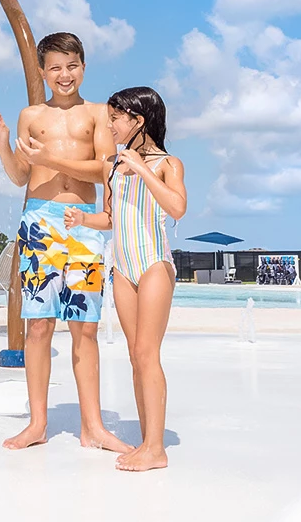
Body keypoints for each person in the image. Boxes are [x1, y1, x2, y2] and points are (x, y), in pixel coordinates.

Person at [0, 32, 131, 454]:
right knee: (39, 326)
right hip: (40, 223)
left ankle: (94, 427)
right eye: (55, 68)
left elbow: (104, 170)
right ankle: (37, 424)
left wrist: (51, 160)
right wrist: (2, 147)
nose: (64, 75)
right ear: (43, 72)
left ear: (83, 66)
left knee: (84, 328)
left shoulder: (99, 113)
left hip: (82, 223)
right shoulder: (30, 115)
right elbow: (19, 176)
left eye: (72, 65)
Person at [65, 86, 187, 472]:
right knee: (135, 356)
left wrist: (143, 169)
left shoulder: (169, 163)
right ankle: (147, 442)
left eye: (117, 117)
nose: (111, 124)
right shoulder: (111, 167)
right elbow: (112, 218)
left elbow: (177, 208)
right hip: (123, 266)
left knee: (148, 354)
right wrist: (85, 220)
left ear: (139, 120)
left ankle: (157, 448)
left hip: (153, 264)